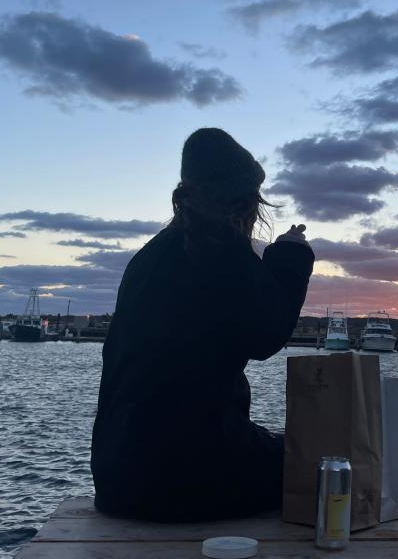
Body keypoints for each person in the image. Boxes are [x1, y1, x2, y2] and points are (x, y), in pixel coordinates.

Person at [91, 128, 315, 521]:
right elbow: (268, 333)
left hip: (118, 478)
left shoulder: (149, 257)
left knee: (273, 448)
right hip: (191, 478)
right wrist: (291, 257)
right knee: (320, 467)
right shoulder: (221, 253)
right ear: (245, 205)